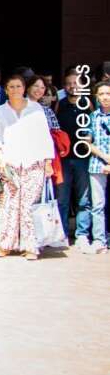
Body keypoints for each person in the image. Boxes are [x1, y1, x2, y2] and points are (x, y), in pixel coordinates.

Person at [0, 74, 55, 260]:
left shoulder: (35, 109)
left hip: (33, 162)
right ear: (6, 89)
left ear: (24, 88)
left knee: (28, 205)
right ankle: (5, 244)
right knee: (8, 204)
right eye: (11, 87)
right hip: (9, 163)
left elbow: (44, 136)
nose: (15, 90)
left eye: (18, 86)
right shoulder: (1, 111)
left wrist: (48, 161)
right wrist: (0, 159)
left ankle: (31, 247)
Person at [57, 69, 98, 252]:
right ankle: (62, 234)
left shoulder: (88, 104)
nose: (72, 86)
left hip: (83, 158)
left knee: (84, 199)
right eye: (69, 83)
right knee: (63, 199)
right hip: (64, 159)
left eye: (76, 83)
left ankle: (82, 235)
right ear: (64, 86)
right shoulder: (60, 104)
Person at [85, 82, 110, 255]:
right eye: (101, 94)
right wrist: (106, 158)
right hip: (97, 165)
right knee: (98, 205)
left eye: (108, 93)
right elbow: (87, 142)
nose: (105, 97)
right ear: (96, 96)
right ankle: (99, 240)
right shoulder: (92, 116)